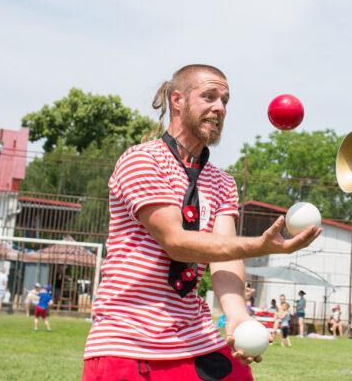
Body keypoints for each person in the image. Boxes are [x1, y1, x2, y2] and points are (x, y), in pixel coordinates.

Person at [82, 64, 322, 381]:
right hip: (129, 341)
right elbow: (176, 241)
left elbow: (224, 255)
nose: (219, 107)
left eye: (224, 100)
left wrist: (236, 315)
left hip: (196, 337)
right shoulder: (142, 159)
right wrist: (259, 246)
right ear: (177, 100)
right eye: (209, 96)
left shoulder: (222, 182)